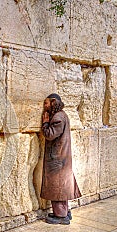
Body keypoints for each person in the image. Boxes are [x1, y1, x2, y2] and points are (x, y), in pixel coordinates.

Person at [41, 93, 81, 225]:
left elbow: (50, 135)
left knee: (56, 186)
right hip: (61, 158)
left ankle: (61, 216)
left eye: (46, 103)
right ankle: (63, 211)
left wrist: (45, 123)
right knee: (61, 186)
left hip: (57, 158)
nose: (44, 106)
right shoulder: (62, 115)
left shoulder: (58, 117)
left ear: (53, 102)